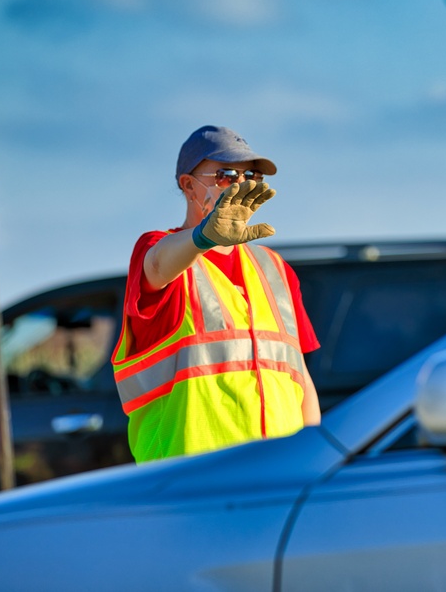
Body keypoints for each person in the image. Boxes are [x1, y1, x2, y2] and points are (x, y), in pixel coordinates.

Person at [112, 125, 321, 463]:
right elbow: (158, 265)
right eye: (225, 174)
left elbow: (300, 381)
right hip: (193, 482)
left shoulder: (275, 269)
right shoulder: (158, 249)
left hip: (279, 476)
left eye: (249, 175)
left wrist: (312, 460)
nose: (240, 184)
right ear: (188, 186)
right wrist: (202, 237)